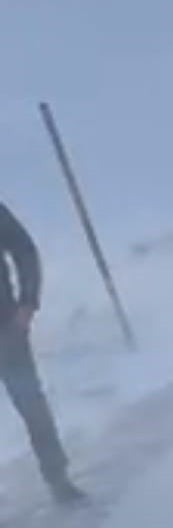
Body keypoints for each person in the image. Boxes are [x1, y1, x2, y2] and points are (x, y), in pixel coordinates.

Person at [0, 204, 85, 504]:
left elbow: (24, 249)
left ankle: (57, 477)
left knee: (30, 402)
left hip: (5, 329)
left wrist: (28, 301)